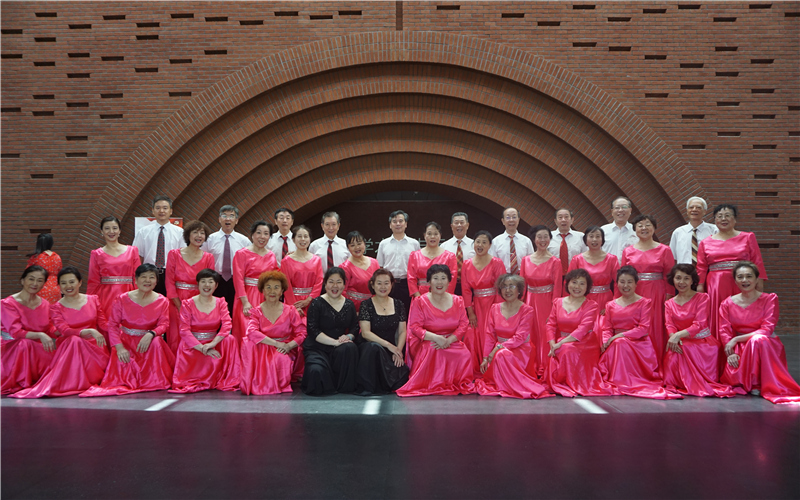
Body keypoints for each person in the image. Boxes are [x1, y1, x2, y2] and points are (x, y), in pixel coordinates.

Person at [11, 267, 109, 398]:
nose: (68, 286)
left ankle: (83, 380)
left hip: (94, 345)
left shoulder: (93, 299)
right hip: (69, 345)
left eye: (72, 282)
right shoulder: (55, 307)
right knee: (74, 340)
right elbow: (64, 330)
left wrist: (121, 329)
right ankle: (73, 382)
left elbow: (103, 324)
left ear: (80, 282)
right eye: (63, 283)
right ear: (59, 286)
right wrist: (88, 330)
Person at [81, 264, 175, 396]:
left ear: (156, 282)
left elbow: (164, 324)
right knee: (121, 367)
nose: (147, 280)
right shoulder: (122, 299)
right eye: (143, 277)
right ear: (136, 280)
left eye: (151, 277)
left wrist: (151, 334)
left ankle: (155, 380)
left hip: (147, 343)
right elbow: (113, 325)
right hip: (126, 343)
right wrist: (119, 347)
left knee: (157, 341)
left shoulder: (162, 301)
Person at [719, 262, 800, 404]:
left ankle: (758, 383)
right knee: (754, 341)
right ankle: (752, 382)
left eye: (749, 276)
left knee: (758, 339)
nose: (745, 280)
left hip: (766, 344)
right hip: (741, 347)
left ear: (757, 279)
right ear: (735, 280)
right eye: (740, 277)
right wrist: (730, 352)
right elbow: (724, 329)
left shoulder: (769, 299)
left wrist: (736, 339)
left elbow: (767, 330)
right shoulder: (727, 303)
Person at [598, 267, 680, 399]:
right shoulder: (610, 305)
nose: (626, 285)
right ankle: (619, 379)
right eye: (622, 282)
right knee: (618, 344)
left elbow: (643, 329)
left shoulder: (644, 302)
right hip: (615, 344)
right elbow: (607, 328)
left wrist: (619, 336)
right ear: (617, 284)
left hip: (638, 343)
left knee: (620, 343)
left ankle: (621, 380)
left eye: (629, 282)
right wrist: (606, 341)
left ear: (636, 284)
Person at [397, 265, 475, 396]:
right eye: (435, 278)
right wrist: (436, 338)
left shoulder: (458, 300)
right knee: (432, 348)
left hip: (451, 340)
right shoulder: (420, 301)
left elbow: (463, 324)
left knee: (464, 353)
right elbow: (415, 327)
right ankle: (432, 383)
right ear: (429, 281)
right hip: (429, 340)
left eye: (443, 278)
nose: (440, 282)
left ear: (449, 281)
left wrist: (449, 340)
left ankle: (453, 382)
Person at [662, 264, 739, 398]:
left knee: (684, 348)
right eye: (678, 278)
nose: (681, 282)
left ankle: (691, 383)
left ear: (692, 280)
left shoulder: (703, 298)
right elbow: (669, 325)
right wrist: (673, 337)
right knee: (674, 350)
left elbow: (699, 324)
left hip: (702, 342)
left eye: (686, 278)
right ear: (672, 280)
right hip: (680, 340)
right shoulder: (669, 303)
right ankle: (679, 382)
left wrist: (676, 336)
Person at [475, 274, 552, 399]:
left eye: (512, 286)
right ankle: (505, 385)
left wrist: (498, 348)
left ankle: (510, 386)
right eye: (504, 287)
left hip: (520, 350)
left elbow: (520, 337)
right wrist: (485, 357)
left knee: (502, 354)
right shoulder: (494, 308)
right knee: (501, 354)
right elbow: (490, 335)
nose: (508, 290)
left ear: (519, 290)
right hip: (500, 350)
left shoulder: (527, 310)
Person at [697, 204, 767, 340]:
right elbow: (701, 267)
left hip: (742, 282)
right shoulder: (705, 242)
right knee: (718, 315)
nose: (723, 219)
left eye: (727, 215)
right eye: (719, 216)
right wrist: (700, 286)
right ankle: (720, 347)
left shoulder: (747, 237)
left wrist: (759, 282)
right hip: (716, 285)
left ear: (735, 219)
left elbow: (757, 261)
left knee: (742, 313)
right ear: (715, 220)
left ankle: (744, 346)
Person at [170, 269, 240, 393]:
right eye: (203, 281)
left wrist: (212, 344)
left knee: (230, 339)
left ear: (216, 285)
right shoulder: (187, 304)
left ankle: (227, 376)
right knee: (188, 344)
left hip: (213, 342)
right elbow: (184, 330)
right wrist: (203, 348)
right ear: (198, 284)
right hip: (194, 344)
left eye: (210, 282)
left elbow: (227, 325)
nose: (207, 285)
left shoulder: (220, 302)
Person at [545, 269, 613, 397]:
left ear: (587, 287)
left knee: (566, 349)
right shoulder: (558, 302)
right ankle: (562, 382)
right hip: (562, 342)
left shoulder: (591, 305)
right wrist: (552, 344)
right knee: (562, 348)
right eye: (574, 282)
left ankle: (571, 383)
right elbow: (550, 325)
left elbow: (582, 329)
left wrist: (560, 344)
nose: (577, 287)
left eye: (582, 284)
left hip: (585, 342)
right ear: (568, 284)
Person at [621, 214, 676, 369]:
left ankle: (655, 363)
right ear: (635, 229)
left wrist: (669, 297)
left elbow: (669, 275)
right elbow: (622, 277)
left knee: (654, 326)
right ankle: (635, 365)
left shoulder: (664, 250)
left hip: (657, 293)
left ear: (654, 228)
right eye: (640, 225)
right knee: (634, 326)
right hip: (634, 292)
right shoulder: (628, 251)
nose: (644, 228)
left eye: (648, 225)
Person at [241, 271, 306, 395]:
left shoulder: (291, 310)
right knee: (249, 343)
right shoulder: (256, 311)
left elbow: (302, 333)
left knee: (280, 358)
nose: (272, 291)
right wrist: (276, 344)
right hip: (264, 347)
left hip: (285, 347)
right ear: (263, 290)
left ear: (282, 291)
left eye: (276, 287)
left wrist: (288, 346)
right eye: (268, 287)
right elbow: (252, 332)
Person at [301, 267, 360, 395]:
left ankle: (344, 388)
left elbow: (355, 327)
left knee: (350, 347)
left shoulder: (349, 304)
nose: (335, 286)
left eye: (339, 282)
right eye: (331, 282)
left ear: (344, 285)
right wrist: (334, 342)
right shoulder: (316, 303)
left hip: (339, 350)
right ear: (325, 284)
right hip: (318, 348)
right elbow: (313, 330)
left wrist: (348, 337)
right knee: (316, 372)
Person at [1, 266, 57, 395]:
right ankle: (22, 381)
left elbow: (49, 329)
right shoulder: (7, 303)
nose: (35, 283)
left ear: (44, 284)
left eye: (40, 280)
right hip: (13, 347)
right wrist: (40, 335)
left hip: (38, 347)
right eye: (31, 279)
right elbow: (16, 332)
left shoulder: (45, 304)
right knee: (24, 344)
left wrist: (66, 330)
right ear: (22, 280)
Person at [356, 269, 410, 395]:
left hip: (391, 349)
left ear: (392, 284)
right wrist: (389, 345)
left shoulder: (398, 304)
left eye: (386, 283)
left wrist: (398, 350)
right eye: (379, 283)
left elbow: (402, 331)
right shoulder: (366, 305)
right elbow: (366, 333)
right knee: (374, 347)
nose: (383, 287)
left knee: (401, 380)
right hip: (370, 348)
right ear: (372, 285)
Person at [165, 220, 215, 353]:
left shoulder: (209, 257)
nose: (199, 236)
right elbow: (169, 282)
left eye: (202, 233)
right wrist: (179, 305)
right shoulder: (174, 254)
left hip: (199, 301)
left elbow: (210, 283)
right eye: (195, 232)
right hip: (177, 300)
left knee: (197, 334)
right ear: (188, 235)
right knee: (176, 335)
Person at [521, 224, 563, 378]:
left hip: (547, 302)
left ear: (550, 239)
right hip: (530, 301)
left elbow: (557, 288)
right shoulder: (525, 260)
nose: (543, 240)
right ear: (534, 239)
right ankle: (531, 366)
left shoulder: (555, 262)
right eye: (539, 237)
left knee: (546, 333)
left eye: (546, 237)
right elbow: (522, 286)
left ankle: (546, 366)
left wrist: (554, 309)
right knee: (530, 333)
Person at [88, 216, 140, 335]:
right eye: (107, 228)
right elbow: (93, 282)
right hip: (106, 298)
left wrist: (140, 297)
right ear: (101, 231)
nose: (111, 231)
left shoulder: (132, 251)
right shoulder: (96, 254)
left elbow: (138, 278)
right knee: (108, 328)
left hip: (129, 295)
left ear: (120, 231)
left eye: (114, 228)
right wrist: (90, 304)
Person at [461, 230, 505, 367]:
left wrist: (497, 310)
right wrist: (470, 312)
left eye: (484, 242)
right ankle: (477, 364)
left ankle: (493, 364)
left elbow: (501, 288)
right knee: (473, 333)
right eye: (478, 242)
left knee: (492, 331)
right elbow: (466, 290)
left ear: (490, 245)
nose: (480, 245)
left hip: (493, 303)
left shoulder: (497, 263)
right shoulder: (467, 264)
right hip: (476, 306)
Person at [231, 221, 279, 342]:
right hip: (247, 296)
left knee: (265, 330)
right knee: (246, 330)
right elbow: (238, 279)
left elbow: (276, 277)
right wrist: (245, 302)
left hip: (266, 297)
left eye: (266, 234)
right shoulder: (241, 254)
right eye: (259, 233)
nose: (262, 236)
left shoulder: (271, 255)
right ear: (252, 235)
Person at [202, 205, 251, 316]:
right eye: (224, 216)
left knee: (235, 311)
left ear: (236, 220)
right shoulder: (210, 239)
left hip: (236, 281)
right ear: (219, 219)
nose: (227, 219)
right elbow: (202, 259)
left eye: (231, 216)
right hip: (216, 280)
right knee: (216, 311)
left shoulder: (244, 241)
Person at [132, 195, 186, 296]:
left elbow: (183, 257)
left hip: (171, 274)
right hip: (149, 274)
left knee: (170, 301)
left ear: (171, 211)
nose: (161, 211)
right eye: (158, 208)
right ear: (153, 211)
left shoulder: (180, 232)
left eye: (165, 208)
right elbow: (138, 256)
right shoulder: (143, 231)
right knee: (148, 301)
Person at [376, 210, 420, 315]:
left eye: (401, 221)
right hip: (388, 284)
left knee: (407, 312)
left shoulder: (414, 244)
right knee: (389, 313)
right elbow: (380, 266)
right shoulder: (384, 244)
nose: (398, 224)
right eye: (394, 221)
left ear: (406, 224)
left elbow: (418, 267)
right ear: (390, 225)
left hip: (407, 284)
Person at [568, 226, 618, 316]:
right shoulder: (577, 259)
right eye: (591, 236)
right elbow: (568, 283)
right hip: (582, 300)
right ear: (586, 240)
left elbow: (618, 283)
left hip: (606, 300)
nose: (594, 239)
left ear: (602, 240)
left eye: (598, 236)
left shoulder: (611, 259)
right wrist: (571, 303)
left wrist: (613, 304)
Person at [281, 225, 323, 317]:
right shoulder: (286, 261)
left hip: (312, 302)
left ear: (310, 239)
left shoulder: (317, 260)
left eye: (306, 236)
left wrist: (309, 300)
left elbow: (319, 282)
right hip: (293, 302)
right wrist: (294, 306)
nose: (303, 239)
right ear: (293, 239)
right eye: (299, 236)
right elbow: (286, 285)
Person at [407, 222, 458, 298]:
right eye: (429, 234)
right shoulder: (415, 256)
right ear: (424, 235)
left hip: (442, 297)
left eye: (436, 234)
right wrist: (419, 298)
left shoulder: (450, 256)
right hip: (420, 296)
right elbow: (411, 279)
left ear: (440, 235)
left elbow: (452, 280)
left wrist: (444, 297)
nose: (432, 236)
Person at [669, 196, 718, 266]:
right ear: (687, 211)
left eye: (698, 207)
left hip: (707, 270)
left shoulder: (714, 230)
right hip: (684, 271)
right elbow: (672, 257)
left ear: (704, 211)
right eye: (691, 207)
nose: (694, 210)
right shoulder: (678, 232)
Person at [340, 231, 381, 313]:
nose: (357, 247)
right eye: (352, 245)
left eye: (359, 243)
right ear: (348, 248)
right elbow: (342, 291)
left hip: (374, 304)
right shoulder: (345, 267)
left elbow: (379, 284)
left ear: (364, 244)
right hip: (354, 308)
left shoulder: (374, 262)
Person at [489, 207, 534, 274]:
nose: (511, 220)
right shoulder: (495, 242)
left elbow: (531, 262)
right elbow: (492, 264)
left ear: (518, 220)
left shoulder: (526, 241)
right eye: (508, 217)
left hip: (521, 277)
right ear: (503, 221)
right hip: (503, 277)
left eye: (514, 217)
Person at [440, 212, 474, 295]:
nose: (459, 225)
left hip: (470, 285)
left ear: (467, 225)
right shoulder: (444, 246)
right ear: (451, 226)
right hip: (450, 286)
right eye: (456, 223)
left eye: (462, 222)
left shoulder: (475, 245)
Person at [547, 208, 587, 276]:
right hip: (553, 276)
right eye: (560, 217)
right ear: (555, 221)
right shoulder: (548, 237)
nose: (563, 220)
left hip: (575, 276)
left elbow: (585, 257)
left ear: (572, 220)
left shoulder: (581, 236)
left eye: (566, 217)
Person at [26, 233, 62, 303]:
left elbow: (27, 274)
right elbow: (60, 273)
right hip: (56, 288)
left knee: (40, 308)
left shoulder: (35, 257)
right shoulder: (57, 257)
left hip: (40, 287)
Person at [601, 197, 638, 262]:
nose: (620, 210)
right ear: (612, 212)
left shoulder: (636, 231)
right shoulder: (603, 230)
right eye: (617, 207)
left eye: (624, 207)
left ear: (630, 210)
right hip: (608, 267)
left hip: (630, 268)